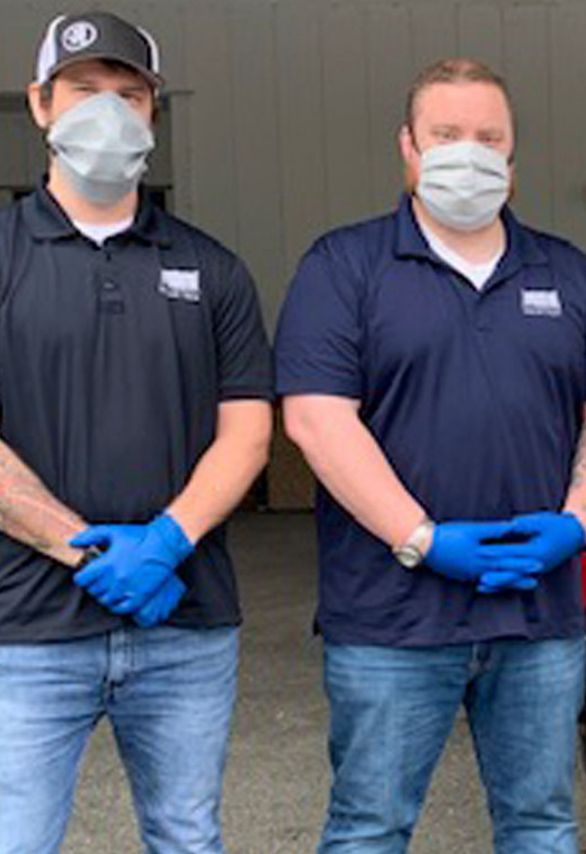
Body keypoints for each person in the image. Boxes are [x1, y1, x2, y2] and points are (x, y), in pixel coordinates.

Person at [274, 57, 586, 853]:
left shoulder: (568, 274)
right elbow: (315, 418)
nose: (467, 153)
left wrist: (577, 523)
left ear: (512, 156)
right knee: (370, 828)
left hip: (537, 617)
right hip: (390, 620)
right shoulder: (344, 268)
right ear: (407, 147)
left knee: (541, 825)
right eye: (447, 135)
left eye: (488, 137)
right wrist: (421, 537)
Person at [0, 10, 274, 854]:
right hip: (25, 631)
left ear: (154, 113)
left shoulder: (214, 268)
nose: (109, 111)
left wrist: (165, 542)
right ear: (41, 105)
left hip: (184, 626)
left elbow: (248, 435)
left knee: (188, 838)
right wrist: (82, 546)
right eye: (86, 91)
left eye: (130, 93)